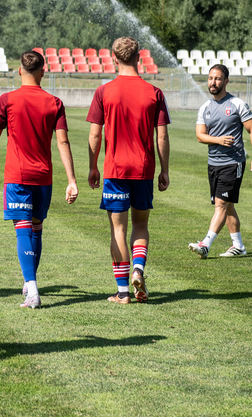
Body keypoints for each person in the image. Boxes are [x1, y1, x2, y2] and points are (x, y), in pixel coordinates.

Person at [0, 50, 79, 309]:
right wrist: (71, 179)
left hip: (18, 175)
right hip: (43, 177)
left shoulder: (7, 100)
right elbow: (63, 142)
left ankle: (32, 289)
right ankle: (30, 283)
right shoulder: (54, 102)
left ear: (19, 71)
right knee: (36, 228)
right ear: (43, 72)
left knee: (22, 228)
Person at [87, 37, 170, 305]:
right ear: (139, 57)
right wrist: (164, 170)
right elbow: (162, 136)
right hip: (143, 170)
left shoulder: (104, 91)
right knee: (141, 224)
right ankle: (138, 270)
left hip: (115, 170)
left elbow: (94, 135)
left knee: (118, 230)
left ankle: (123, 292)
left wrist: (92, 166)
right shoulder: (154, 92)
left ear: (114, 57)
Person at [188, 64, 252, 259]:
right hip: (213, 163)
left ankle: (205, 244)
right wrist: (218, 140)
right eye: (211, 78)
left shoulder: (237, 104)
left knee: (221, 204)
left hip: (233, 162)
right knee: (227, 206)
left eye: (218, 78)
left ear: (226, 81)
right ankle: (238, 246)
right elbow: (200, 136)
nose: (213, 82)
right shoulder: (205, 108)